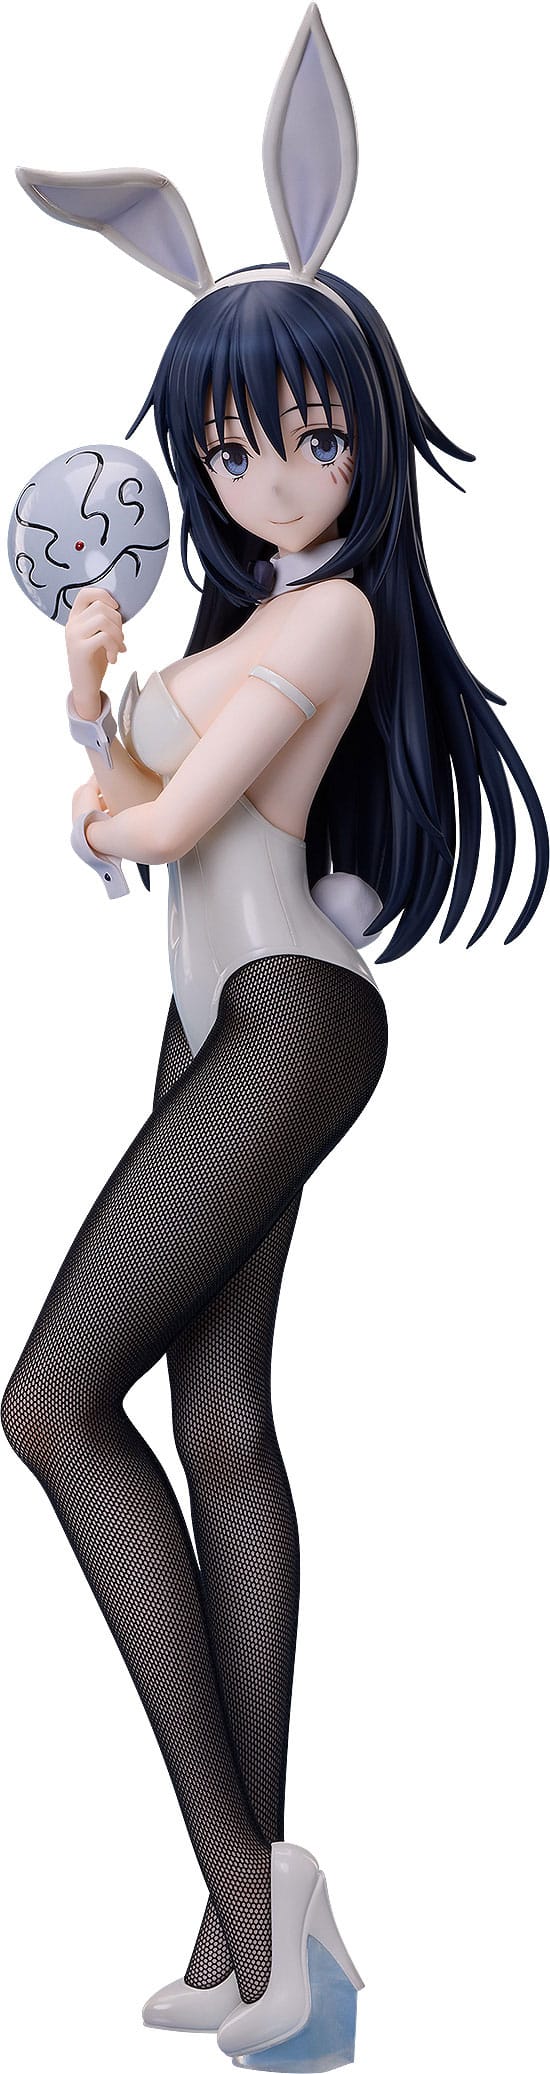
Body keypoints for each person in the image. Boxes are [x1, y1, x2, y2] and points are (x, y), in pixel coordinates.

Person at [2, 9, 547, 2068]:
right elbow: (146, 770)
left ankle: (249, 1882)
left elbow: (173, 813)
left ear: (363, 436)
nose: (268, 475)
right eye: (229, 451)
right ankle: (257, 1931)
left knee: (52, 1397)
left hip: (288, 1017)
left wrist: (115, 792)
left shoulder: (324, 618)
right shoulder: (241, 621)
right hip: (218, 1020)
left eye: (303, 436)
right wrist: (93, 691)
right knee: (214, 1416)